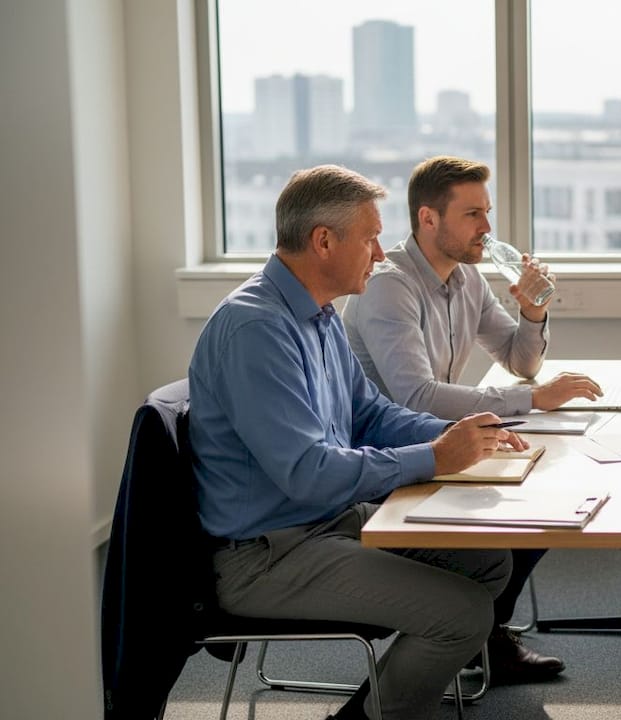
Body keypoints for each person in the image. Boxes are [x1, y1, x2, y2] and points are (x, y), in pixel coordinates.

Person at [189, 164, 530, 720]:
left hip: (324, 520)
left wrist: (457, 436)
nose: (379, 253)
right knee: (464, 614)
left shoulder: (317, 314)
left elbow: (369, 414)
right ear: (324, 241)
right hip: (270, 553)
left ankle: (375, 704)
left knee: (489, 561)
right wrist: (433, 458)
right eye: (370, 238)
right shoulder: (257, 329)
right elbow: (308, 471)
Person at [343, 155, 599, 682]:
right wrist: (533, 401)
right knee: (528, 503)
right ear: (428, 219)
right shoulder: (390, 285)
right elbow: (416, 397)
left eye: (487, 213)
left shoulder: (466, 279)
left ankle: (485, 636)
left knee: (550, 493)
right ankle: (479, 637)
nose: (487, 229)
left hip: (438, 440)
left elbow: (520, 360)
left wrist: (532, 312)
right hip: (387, 459)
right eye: (473, 215)